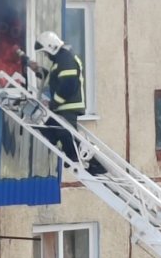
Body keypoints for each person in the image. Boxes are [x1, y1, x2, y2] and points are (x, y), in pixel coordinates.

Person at [22, 31, 107, 176]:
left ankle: (92, 163)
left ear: (51, 47)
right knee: (56, 132)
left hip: (68, 107)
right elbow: (57, 81)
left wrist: (54, 103)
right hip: (64, 107)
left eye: (45, 52)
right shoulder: (61, 60)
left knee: (65, 134)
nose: (46, 56)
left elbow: (68, 84)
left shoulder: (65, 60)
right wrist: (39, 71)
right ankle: (78, 158)